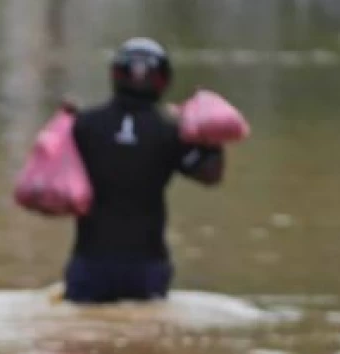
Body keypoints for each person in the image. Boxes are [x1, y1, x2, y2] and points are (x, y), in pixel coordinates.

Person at [63, 37, 226, 304]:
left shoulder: (83, 125)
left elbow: (47, 179)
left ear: (115, 75)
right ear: (163, 79)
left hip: (91, 261)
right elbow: (210, 175)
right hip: (146, 265)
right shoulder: (172, 130)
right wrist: (212, 138)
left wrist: (64, 118)